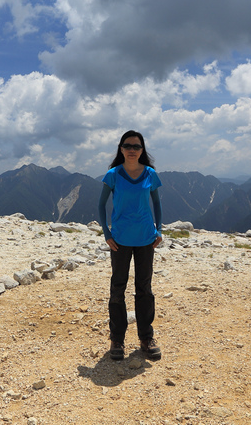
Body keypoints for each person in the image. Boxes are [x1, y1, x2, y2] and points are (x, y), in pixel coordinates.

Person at [98, 129, 163, 361]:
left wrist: (159, 229)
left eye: (136, 146)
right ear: (121, 149)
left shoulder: (150, 174)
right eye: (128, 146)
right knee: (118, 287)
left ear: (142, 149)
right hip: (120, 240)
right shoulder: (113, 175)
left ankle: (146, 337)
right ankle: (117, 339)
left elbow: (156, 203)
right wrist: (107, 233)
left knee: (144, 288)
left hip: (146, 238)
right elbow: (100, 205)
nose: (132, 150)